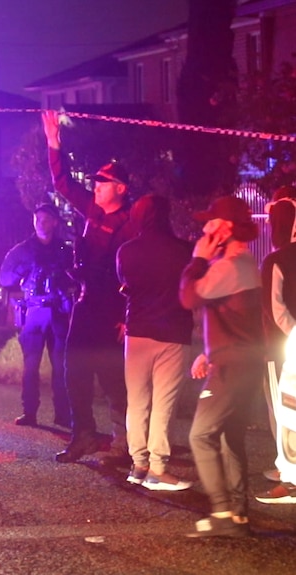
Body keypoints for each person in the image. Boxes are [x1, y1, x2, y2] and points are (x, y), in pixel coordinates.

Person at [41, 110, 135, 464]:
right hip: (85, 302)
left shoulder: (129, 224)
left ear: (121, 189)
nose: (95, 186)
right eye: (95, 181)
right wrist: (53, 143)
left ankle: (126, 443)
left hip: (112, 309)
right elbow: (62, 183)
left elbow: (135, 273)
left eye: (103, 182)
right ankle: (83, 435)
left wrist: (128, 315)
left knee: (113, 378)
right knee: (74, 370)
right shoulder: (93, 210)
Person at [179, 195, 264, 538]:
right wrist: (209, 351)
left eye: (211, 222)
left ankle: (222, 513)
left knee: (200, 435)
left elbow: (188, 296)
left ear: (226, 228)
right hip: (243, 361)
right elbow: (234, 319)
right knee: (230, 436)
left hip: (232, 367)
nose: (204, 227)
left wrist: (198, 259)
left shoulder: (229, 266)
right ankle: (239, 515)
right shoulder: (244, 265)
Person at [116, 194, 194, 490]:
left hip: (137, 332)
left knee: (137, 401)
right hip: (173, 332)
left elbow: (124, 285)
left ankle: (138, 464)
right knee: (164, 402)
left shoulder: (126, 251)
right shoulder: (183, 250)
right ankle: (158, 469)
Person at [0, 202, 74, 428]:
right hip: (34, 312)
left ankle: (62, 414)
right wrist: (23, 271)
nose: (41, 223)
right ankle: (29, 412)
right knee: (31, 366)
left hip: (59, 311)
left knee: (61, 366)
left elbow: (78, 278)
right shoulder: (23, 250)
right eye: (37, 219)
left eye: (46, 219)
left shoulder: (64, 251)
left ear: (55, 222)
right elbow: (4, 278)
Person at [255, 184, 296, 503]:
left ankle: (290, 477)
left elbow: (275, 309)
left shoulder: (276, 260)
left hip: (283, 349)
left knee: (285, 414)